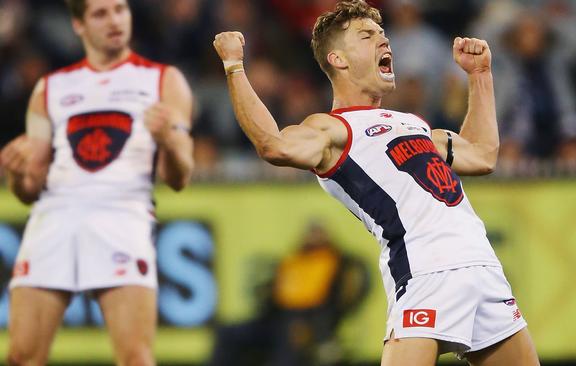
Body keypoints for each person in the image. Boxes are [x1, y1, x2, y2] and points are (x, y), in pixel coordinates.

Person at [213, 0, 539, 365]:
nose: (385, 42)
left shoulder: (414, 124)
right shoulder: (332, 129)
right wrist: (234, 65)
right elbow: (272, 144)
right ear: (338, 59)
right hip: (426, 270)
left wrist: (480, 75)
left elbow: (481, 154)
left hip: (482, 267)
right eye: (368, 36)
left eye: (383, 35)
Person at [0, 0, 193, 364]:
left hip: (122, 213)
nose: (115, 20)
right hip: (54, 216)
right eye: (101, 14)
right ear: (78, 25)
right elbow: (30, 189)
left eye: (120, 10)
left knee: (135, 357)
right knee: (21, 356)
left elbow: (179, 177)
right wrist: (15, 171)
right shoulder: (50, 89)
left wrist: (169, 139)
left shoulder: (163, 80)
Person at [210, 222, 369, 366]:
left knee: (289, 342)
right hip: (276, 317)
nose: (314, 237)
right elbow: (274, 295)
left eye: (318, 233)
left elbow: (337, 302)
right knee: (228, 333)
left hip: (308, 321)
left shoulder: (335, 262)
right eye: (311, 233)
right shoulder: (292, 260)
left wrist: (314, 325)